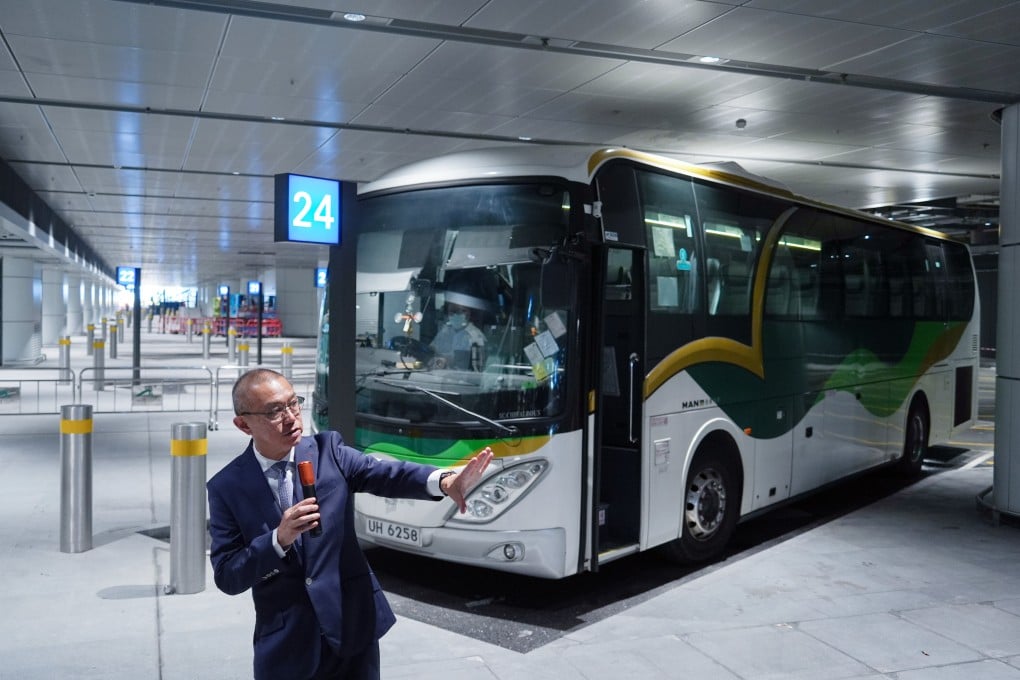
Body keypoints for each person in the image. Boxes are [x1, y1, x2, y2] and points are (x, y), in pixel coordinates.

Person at [207, 368, 493, 680]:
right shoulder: (227, 488)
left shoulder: (328, 451)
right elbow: (228, 575)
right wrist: (279, 539)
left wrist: (445, 481)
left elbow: (386, 474)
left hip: (352, 628)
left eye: (293, 404)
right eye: (275, 410)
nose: (290, 417)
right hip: (287, 646)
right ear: (243, 424)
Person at [429, 289, 488, 370]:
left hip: (461, 380)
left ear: (468, 313)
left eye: (459, 312)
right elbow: (431, 351)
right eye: (451, 312)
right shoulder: (444, 331)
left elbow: (477, 371)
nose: (454, 315)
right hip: (434, 378)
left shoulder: (476, 337)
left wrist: (449, 359)